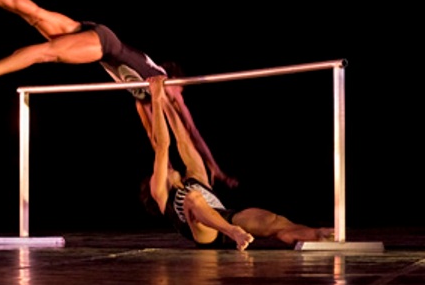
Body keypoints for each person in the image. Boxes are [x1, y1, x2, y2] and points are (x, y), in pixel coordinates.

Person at [0, 0, 237, 188]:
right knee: (45, 53)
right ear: (177, 81)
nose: (179, 99)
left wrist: (168, 169)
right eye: (180, 93)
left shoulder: (143, 98)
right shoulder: (169, 86)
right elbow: (190, 130)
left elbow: (154, 136)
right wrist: (215, 168)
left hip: (96, 35)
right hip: (104, 46)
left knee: (36, 15)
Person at [142, 74, 334, 251]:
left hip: (228, 217)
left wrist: (166, 100)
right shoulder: (162, 195)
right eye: (154, 177)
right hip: (206, 233)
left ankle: (318, 234)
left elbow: (183, 139)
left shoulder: (196, 176)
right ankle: (233, 233)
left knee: (274, 222)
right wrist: (156, 99)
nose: (159, 172)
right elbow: (162, 146)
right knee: (193, 199)